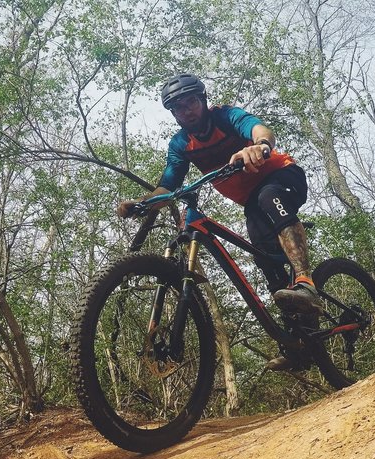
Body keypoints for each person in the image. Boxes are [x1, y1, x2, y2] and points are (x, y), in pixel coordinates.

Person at [117, 73, 320, 371]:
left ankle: (306, 282)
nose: (188, 110)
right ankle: (298, 345)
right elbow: (169, 184)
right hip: (251, 201)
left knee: (268, 198)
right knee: (266, 261)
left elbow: (258, 128)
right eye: (179, 107)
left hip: (281, 177)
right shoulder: (180, 144)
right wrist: (144, 203)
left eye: (192, 102)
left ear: (203, 100)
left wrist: (259, 146)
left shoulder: (225, 117)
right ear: (173, 114)